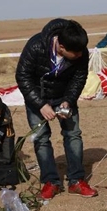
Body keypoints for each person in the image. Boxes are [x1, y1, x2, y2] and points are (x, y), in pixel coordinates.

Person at [15, 18, 98, 200]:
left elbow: (79, 78)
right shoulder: (36, 46)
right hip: (37, 98)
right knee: (41, 139)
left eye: (80, 52)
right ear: (60, 46)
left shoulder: (79, 51)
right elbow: (22, 76)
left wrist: (68, 101)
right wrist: (41, 105)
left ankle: (76, 181)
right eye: (74, 53)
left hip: (64, 97)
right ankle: (50, 182)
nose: (79, 55)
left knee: (73, 135)